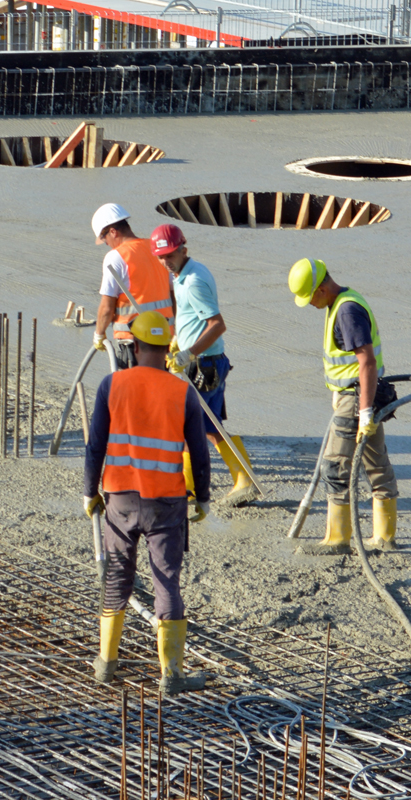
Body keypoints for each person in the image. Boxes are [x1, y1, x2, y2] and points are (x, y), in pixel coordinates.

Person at [83, 311, 213, 696]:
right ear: (166, 347)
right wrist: (203, 497)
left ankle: (106, 663)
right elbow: (199, 452)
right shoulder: (183, 392)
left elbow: (95, 446)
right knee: (166, 582)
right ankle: (171, 674)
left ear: (135, 347)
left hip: (120, 501)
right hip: (166, 504)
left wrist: (89, 492)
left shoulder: (111, 384)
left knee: (117, 577)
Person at [285, 258, 399, 555]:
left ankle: (337, 539)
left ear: (321, 289)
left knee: (335, 466)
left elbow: (367, 362)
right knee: (376, 463)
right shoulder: (343, 302)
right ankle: (385, 536)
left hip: (358, 397)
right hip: (362, 393)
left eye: (310, 298)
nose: (310, 304)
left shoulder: (346, 311)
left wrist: (363, 411)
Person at [151, 224, 259, 506]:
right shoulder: (184, 275)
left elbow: (217, 325)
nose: (165, 261)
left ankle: (187, 489)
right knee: (211, 427)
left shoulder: (194, 281)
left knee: (187, 427)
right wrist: (179, 340)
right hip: (208, 362)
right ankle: (243, 479)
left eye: (170, 255)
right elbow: (191, 318)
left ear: (183, 249)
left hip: (203, 366)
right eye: (161, 257)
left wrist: (188, 353)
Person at [89, 203, 174, 371]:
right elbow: (174, 295)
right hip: (164, 340)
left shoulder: (115, 257)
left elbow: (107, 307)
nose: (106, 243)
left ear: (113, 231)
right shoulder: (155, 249)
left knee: (135, 387)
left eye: (104, 238)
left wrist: (99, 334)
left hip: (135, 343)